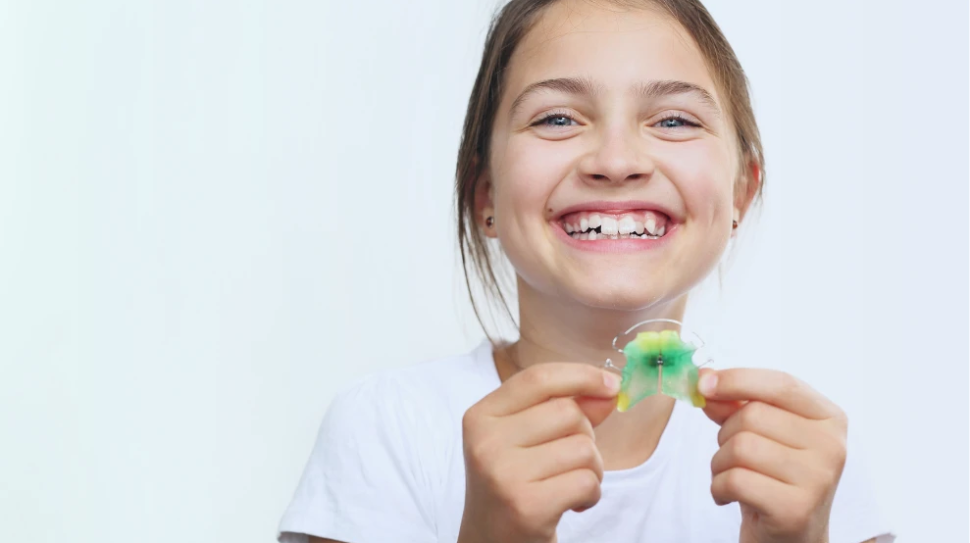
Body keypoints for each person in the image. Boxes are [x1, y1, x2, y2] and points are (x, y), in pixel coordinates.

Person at [278, 0, 893, 541]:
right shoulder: (386, 429)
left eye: (674, 120)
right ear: (484, 195)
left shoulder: (812, 456)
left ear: (741, 194)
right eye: (557, 118)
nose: (617, 159)